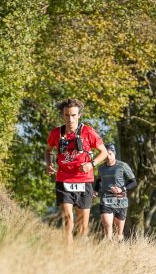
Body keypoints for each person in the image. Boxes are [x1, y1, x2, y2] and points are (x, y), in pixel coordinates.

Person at [45, 98, 108, 244]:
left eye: (73, 115)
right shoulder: (56, 133)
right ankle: (68, 256)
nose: (70, 119)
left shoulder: (88, 132)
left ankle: (81, 256)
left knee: (83, 227)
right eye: (67, 115)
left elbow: (103, 152)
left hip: (84, 181)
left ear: (79, 115)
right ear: (63, 115)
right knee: (68, 221)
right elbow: (48, 150)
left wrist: (91, 164)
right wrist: (48, 164)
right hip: (64, 180)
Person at [93, 143, 137, 241]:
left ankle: (118, 249)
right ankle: (109, 248)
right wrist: (95, 191)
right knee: (108, 227)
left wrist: (122, 189)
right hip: (105, 199)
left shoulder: (122, 166)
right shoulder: (101, 168)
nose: (108, 157)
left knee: (119, 233)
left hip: (120, 200)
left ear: (114, 153)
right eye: (106, 154)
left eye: (110, 154)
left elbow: (133, 182)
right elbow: (99, 181)